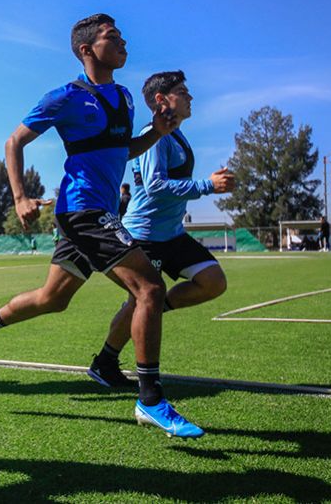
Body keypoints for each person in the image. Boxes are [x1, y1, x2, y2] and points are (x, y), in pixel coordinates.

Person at [0, 14, 203, 438]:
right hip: (83, 211)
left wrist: (157, 133)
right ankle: (150, 399)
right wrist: (19, 197)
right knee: (149, 288)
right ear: (87, 50)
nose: (124, 41)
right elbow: (14, 141)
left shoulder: (124, 97)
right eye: (113, 37)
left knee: (53, 299)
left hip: (96, 211)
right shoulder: (66, 96)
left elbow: (121, 151)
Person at [89, 70, 235, 389]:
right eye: (182, 92)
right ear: (161, 100)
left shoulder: (177, 135)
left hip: (172, 235)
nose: (190, 97)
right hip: (145, 237)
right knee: (137, 303)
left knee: (213, 282)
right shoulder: (154, 136)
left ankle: (153, 308)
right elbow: (155, 186)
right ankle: (105, 363)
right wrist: (207, 186)